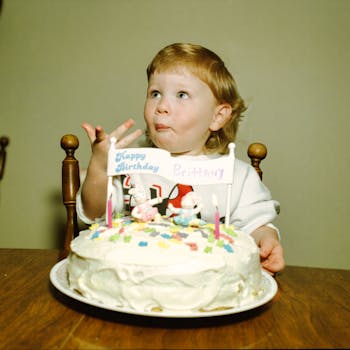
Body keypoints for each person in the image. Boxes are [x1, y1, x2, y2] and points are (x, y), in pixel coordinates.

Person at [77, 42, 285, 275]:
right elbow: (93, 213)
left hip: (210, 286)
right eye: (155, 93)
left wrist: (267, 241)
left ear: (217, 116)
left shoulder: (238, 176)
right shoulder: (130, 166)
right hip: (134, 278)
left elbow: (256, 226)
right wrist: (99, 168)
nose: (162, 106)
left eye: (182, 94)